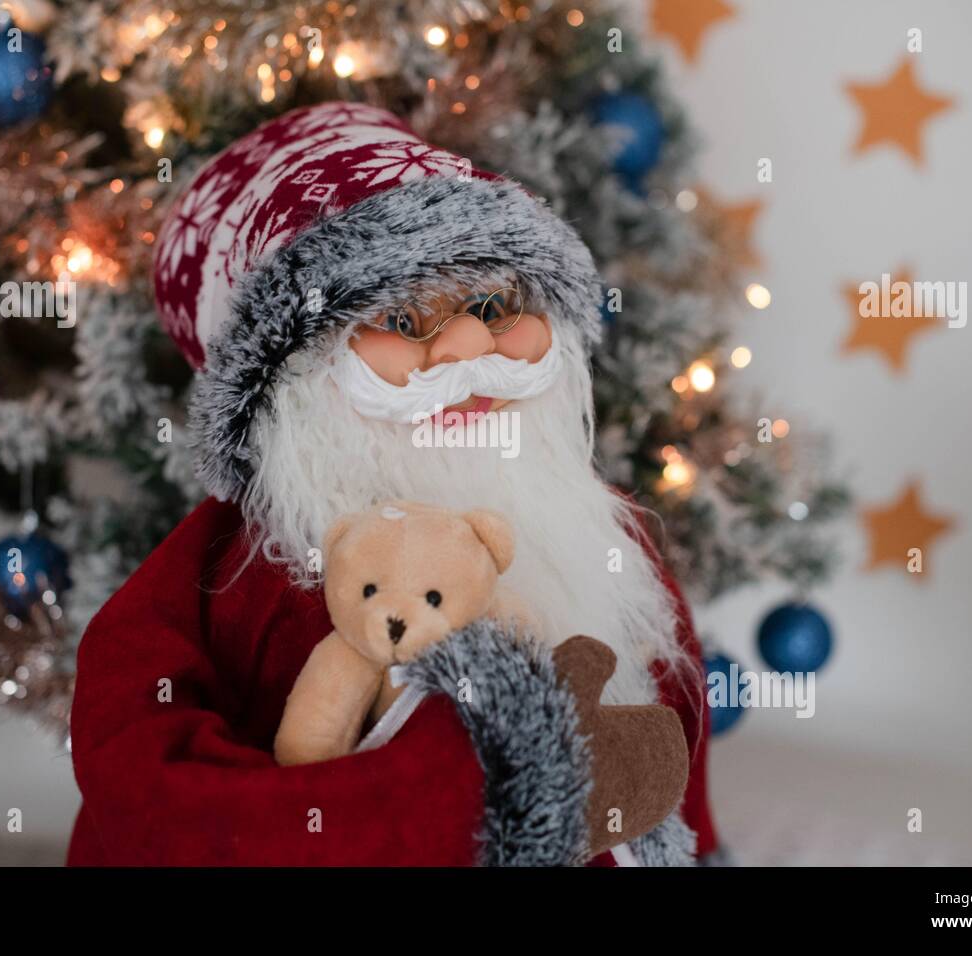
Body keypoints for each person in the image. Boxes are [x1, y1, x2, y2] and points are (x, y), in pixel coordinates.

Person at [67, 102, 717, 866]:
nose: (469, 346)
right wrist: (435, 801)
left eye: (495, 306)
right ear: (290, 381)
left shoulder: (599, 535)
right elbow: (148, 772)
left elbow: (670, 741)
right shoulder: (235, 572)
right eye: (405, 324)